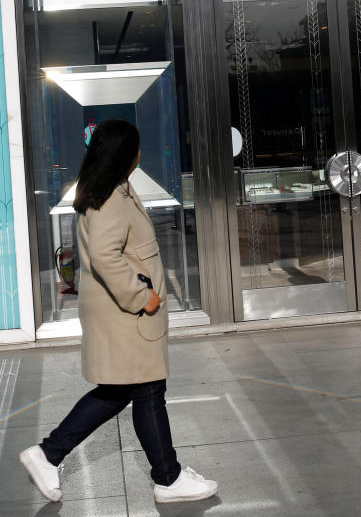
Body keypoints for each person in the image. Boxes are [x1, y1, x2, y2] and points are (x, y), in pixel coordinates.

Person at [20, 119, 218, 504]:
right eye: (137, 148)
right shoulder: (111, 196)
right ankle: (167, 478)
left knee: (123, 391)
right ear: (127, 155)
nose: (141, 154)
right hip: (127, 313)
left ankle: (50, 454)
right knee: (146, 389)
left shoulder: (105, 190)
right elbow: (106, 256)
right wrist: (142, 297)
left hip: (117, 313)